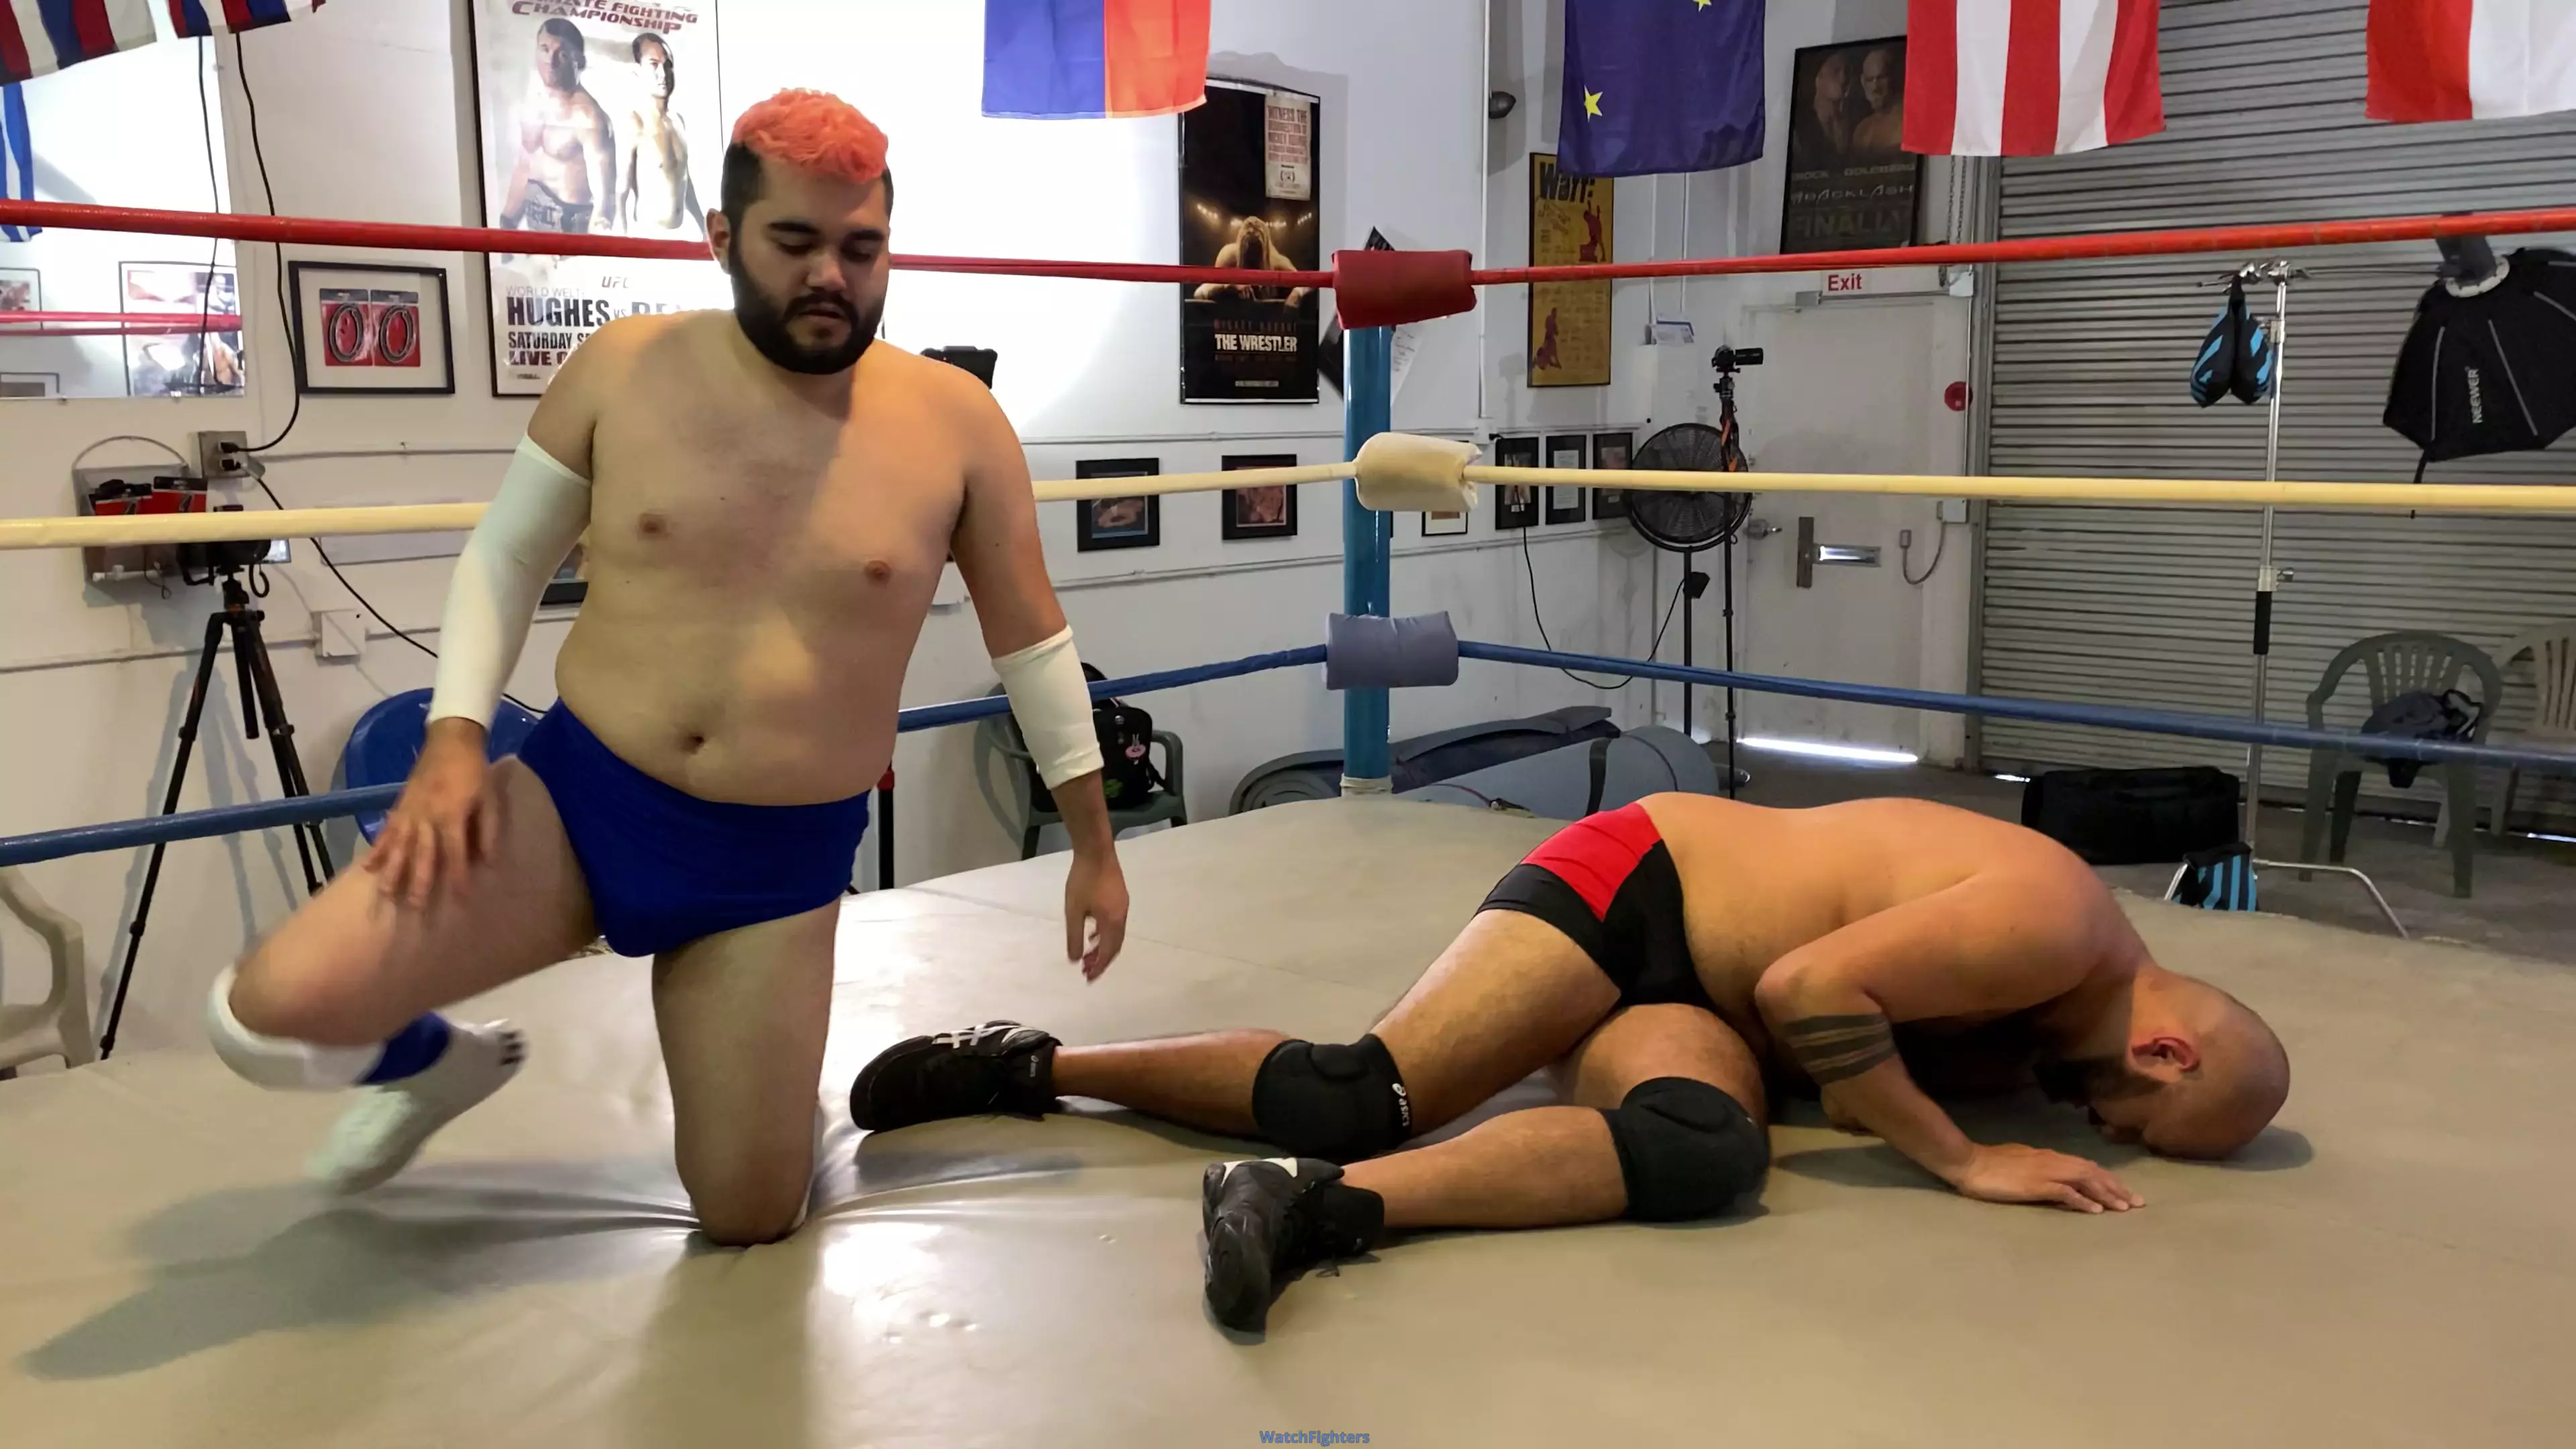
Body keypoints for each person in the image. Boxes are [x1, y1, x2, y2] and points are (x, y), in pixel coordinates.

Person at [207, 90, 1134, 1247]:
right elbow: (505, 556)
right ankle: (437, 1066)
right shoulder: (624, 366)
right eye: (794, 241)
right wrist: (453, 740)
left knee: (750, 1215)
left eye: (861, 248)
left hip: (774, 864)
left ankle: (764, 1085)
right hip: (580, 800)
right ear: (722, 238)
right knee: (264, 1015)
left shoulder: (957, 424)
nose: (831, 277)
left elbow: (1032, 641)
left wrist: (1095, 848)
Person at [853, 795, 2290, 1331]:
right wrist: (1962, 1160)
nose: (2102, 1131)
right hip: (1642, 885)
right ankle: (1030, 1063)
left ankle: (1305, 1203)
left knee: (1702, 1152)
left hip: (1704, 997)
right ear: (2164, 1050)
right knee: (1366, 1090)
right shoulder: (2056, 926)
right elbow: (1808, 987)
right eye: (2135, 1121)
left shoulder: (2058, 1007)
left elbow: (1816, 1029)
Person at [500, 18, 616, 235]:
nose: (550, 61)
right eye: (544, 49)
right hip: (534, 231)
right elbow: (524, 167)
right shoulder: (533, 104)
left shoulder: (590, 118)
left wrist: (589, 252)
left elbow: (606, 203)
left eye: (561, 54)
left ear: (579, 61)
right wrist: (507, 224)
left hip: (571, 234)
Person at [620, 32, 705, 237]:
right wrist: (621, 242)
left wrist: (703, 225)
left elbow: (682, 177)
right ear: (638, 72)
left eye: (668, 65)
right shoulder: (634, 122)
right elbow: (620, 192)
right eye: (654, 64)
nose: (663, 73)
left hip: (680, 234)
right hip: (647, 235)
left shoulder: (678, 121)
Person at [1191, 215, 1311, 309]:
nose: (1252, 259)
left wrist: (1297, 293)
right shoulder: (1229, 257)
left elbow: (1308, 282)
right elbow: (1200, 294)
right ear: (1241, 250)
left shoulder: (1277, 262)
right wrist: (1231, 284)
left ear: (1264, 251)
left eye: (1256, 252)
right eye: (1249, 252)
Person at [1852, 46, 1906, 156]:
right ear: (1863, 83)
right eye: (1869, 80)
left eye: (1881, 77)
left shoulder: (1906, 122)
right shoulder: (1862, 130)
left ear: (1893, 78)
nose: (1875, 87)